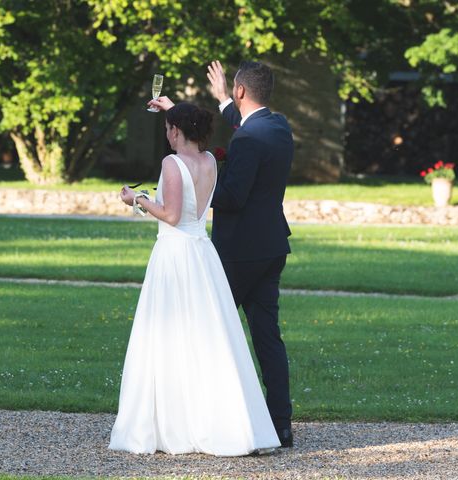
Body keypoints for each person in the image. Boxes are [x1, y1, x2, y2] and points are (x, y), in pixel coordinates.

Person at [108, 102, 280, 456]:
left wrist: (136, 199)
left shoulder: (172, 163)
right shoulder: (210, 162)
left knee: (168, 335)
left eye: (169, 128)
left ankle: (173, 425)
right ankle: (221, 420)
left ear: (176, 130)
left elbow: (170, 214)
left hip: (174, 255)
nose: (167, 135)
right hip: (203, 254)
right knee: (209, 337)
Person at [149, 60, 294, 448]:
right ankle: (280, 424)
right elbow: (242, 125)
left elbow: (230, 197)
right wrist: (183, 112)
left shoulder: (247, 140)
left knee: (211, 334)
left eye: (232, 90)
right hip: (272, 246)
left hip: (238, 253)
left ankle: (214, 422)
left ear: (241, 91)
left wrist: (198, 177)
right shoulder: (279, 127)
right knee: (267, 338)